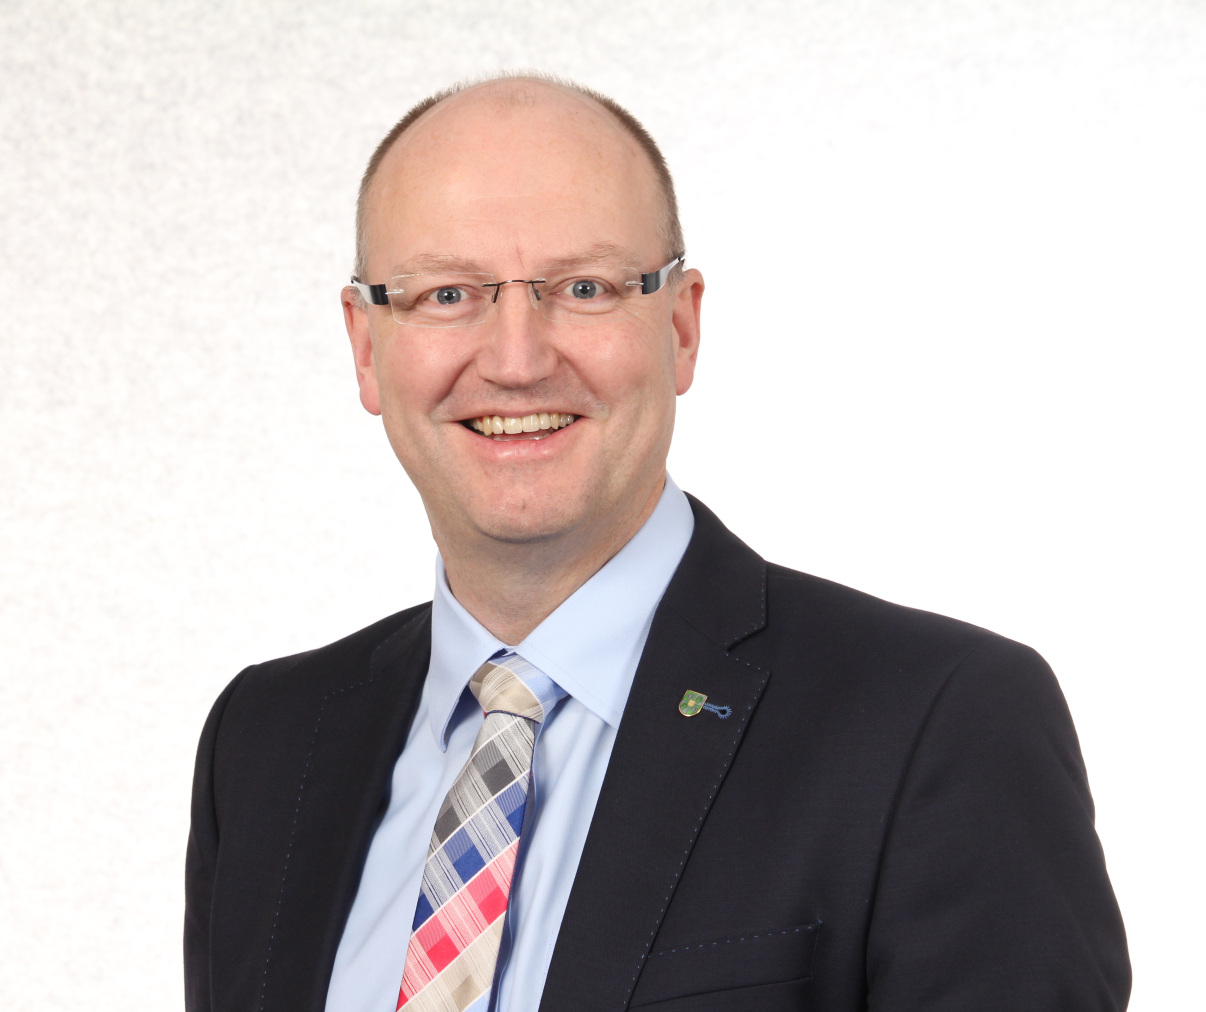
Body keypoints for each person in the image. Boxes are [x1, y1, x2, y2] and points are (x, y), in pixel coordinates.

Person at [183, 73, 1129, 1012]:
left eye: (584, 287)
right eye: (447, 294)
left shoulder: (936, 723)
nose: (516, 359)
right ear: (366, 346)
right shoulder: (265, 745)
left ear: (681, 327)